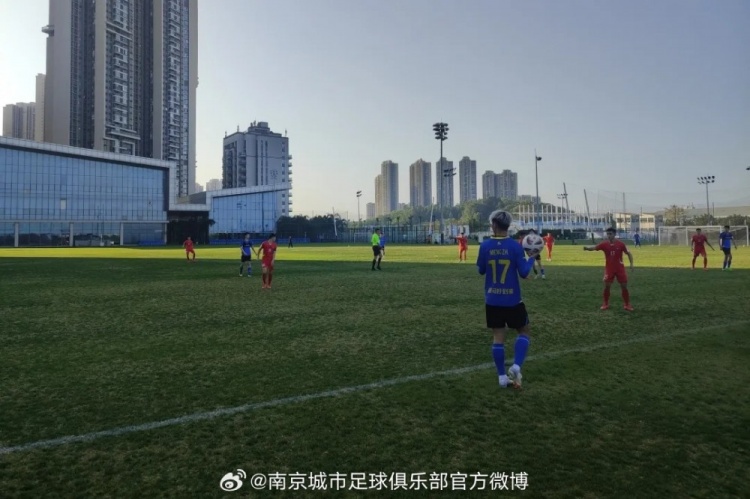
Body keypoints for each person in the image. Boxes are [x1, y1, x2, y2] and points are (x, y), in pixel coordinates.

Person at [477, 210, 535, 390]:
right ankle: (516, 366)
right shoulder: (515, 246)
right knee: (524, 331)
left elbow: (481, 270)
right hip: (512, 300)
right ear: (508, 225)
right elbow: (524, 273)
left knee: (498, 337)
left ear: (494, 225)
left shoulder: (485, 245)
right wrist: (532, 257)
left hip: (492, 299)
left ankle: (502, 377)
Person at [584, 227, 634, 311]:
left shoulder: (621, 244)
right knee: (607, 286)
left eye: (610, 234)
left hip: (620, 268)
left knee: (624, 286)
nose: (608, 236)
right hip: (609, 269)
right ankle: (605, 304)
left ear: (614, 234)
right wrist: (587, 248)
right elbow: (594, 247)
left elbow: (629, 253)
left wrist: (631, 264)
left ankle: (627, 304)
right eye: (607, 234)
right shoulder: (604, 244)